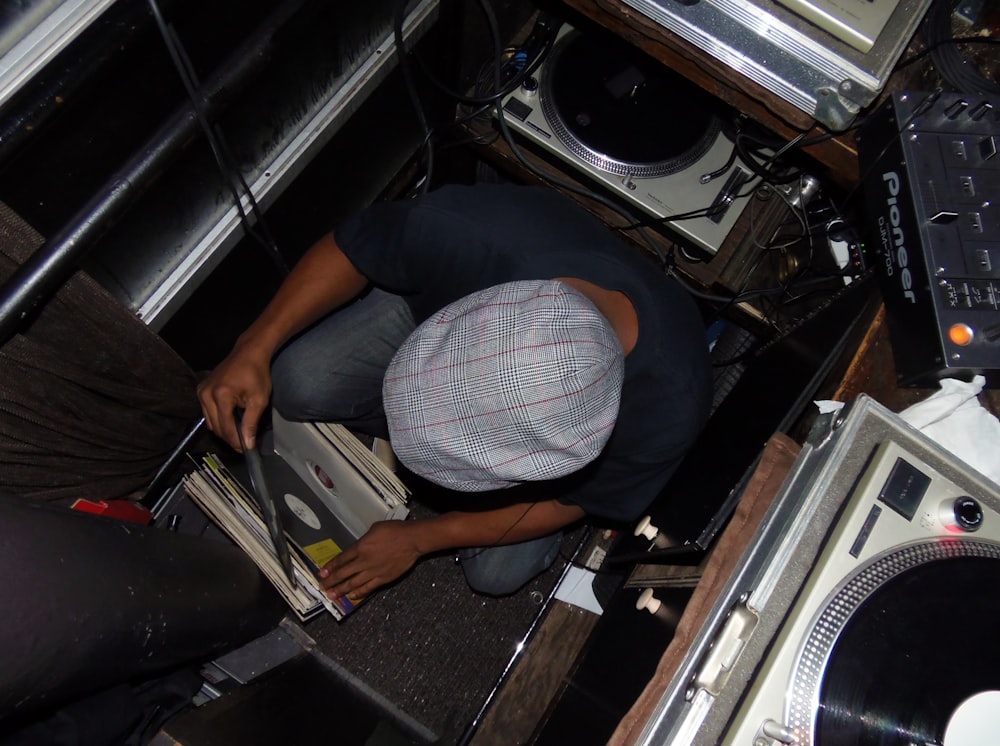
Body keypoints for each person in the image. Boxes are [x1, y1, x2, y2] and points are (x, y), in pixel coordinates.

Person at [197, 182, 712, 602]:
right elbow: (352, 248)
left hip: (573, 439)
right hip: (436, 310)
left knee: (496, 574)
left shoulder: (669, 410)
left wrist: (420, 539)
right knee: (298, 381)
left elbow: (574, 500)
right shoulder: (474, 232)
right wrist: (253, 346)